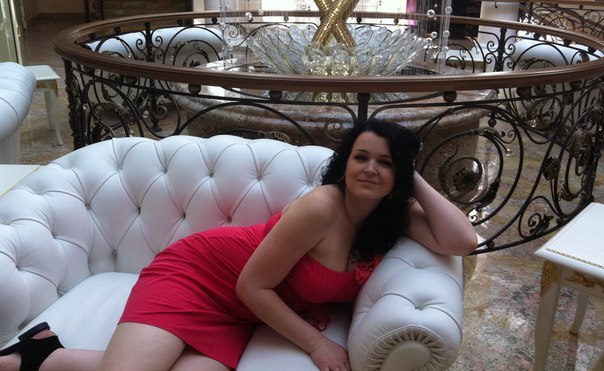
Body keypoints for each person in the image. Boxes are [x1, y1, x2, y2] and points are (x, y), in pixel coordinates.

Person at [0, 120, 477, 371]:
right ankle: (38, 355)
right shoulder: (321, 206)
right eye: (361, 157)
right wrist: (316, 345)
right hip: (197, 279)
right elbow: (252, 285)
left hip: (244, 310)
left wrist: (411, 175)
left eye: (385, 163)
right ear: (345, 163)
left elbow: (463, 240)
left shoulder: (391, 217)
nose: (370, 169)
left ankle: (43, 355)